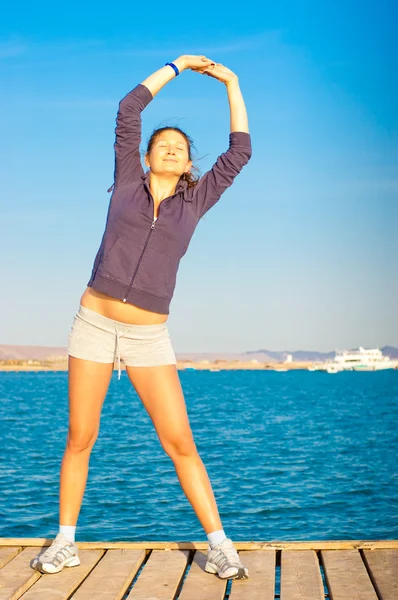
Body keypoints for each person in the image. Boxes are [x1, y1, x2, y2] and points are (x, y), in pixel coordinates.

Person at [31, 54, 252, 580]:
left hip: (149, 336)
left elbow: (240, 150)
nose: (171, 149)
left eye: (180, 148)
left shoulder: (195, 201)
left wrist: (231, 82)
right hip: (93, 325)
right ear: (147, 156)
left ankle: (220, 545)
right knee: (80, 436)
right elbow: (129, 108)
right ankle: (65, 542)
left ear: (187, 162)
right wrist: (176, 66)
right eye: (162, 145)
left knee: (180, 442)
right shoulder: (127, 181)